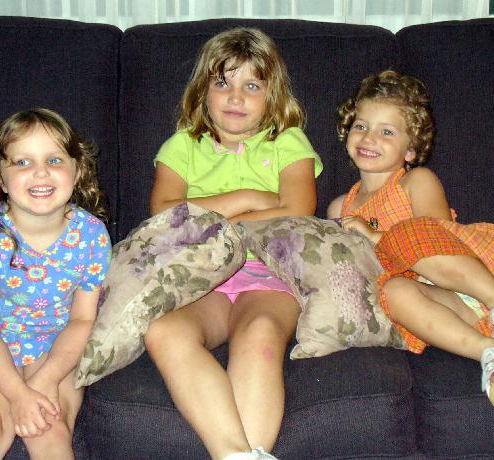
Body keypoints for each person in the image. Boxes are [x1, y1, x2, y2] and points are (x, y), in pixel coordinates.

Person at [145, 27, 322, 460]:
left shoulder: (288, 142)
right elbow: (164, 214)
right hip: (201, 273)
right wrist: (248, 197)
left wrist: (213, 218)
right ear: (203, 92)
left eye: (252, 86)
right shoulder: (183, 145)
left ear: (272, 95)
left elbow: (298, 209)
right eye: (222, 83)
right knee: (164, 330)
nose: (236, 97)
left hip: (268, 269)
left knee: (260, 333)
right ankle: (236, 454)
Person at [327, 70, 494, 414]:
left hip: (473, 283)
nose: (369, 137)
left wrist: (372, 236)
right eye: (361, 126)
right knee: (392, 291)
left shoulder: (416, 180)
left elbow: (437, 236)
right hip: (446, 306)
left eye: (387, 132)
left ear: (410, 150)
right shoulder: (340, 208)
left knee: (407, 235)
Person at [0, 108, 112, 459]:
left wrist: (44, 381)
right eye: (22, 162)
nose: (40, 172)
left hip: (59, 342)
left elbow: (82, 320)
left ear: (77, 171)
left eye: (54, 160)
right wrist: (18, 393)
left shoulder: (92, 235)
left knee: (51, 431)